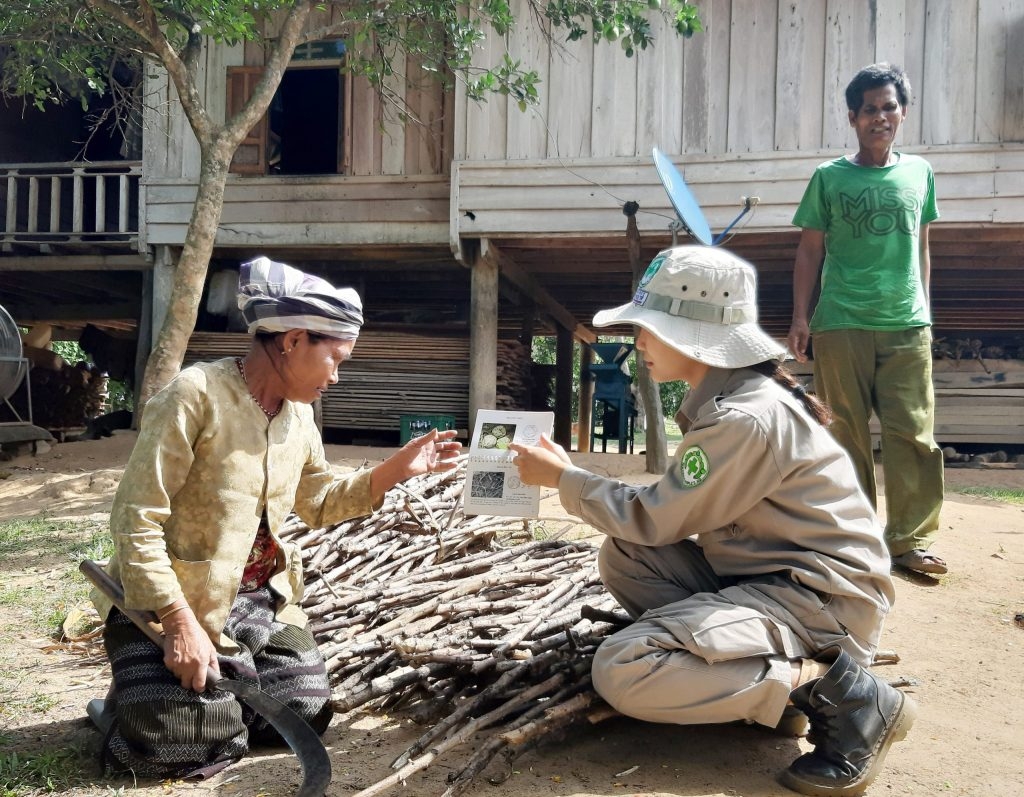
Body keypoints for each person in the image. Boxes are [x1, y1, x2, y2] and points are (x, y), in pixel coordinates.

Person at [510, 245, 915, 796]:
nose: (638, 342)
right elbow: (660, 521)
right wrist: (572, 478)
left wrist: (564, 479)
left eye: (646, 328)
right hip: (776, 586)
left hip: (818, 603)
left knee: (624, 667)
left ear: (690, 335)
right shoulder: (736, 400)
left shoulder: (744, 417)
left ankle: (839, 692)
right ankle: (767, 690)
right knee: (626, 554)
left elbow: (654, 516)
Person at [87, 256, 461, 778]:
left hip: (258, 601)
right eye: (335, 359)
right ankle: (132, 702)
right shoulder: (194, 397)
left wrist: (394, 471)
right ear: (291, 341)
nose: (337, 376)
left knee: (306, 710)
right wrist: (177, 624)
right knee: (175, 743)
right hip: (175, 603)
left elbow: (318, 501)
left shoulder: (299, 415)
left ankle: (201, 697)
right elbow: (135, 519)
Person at [787, 62, 946, 577]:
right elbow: (809, 251)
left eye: (889, 107)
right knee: (844, 433)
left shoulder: (919, 172)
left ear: (902, 113)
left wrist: (924, 306)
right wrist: (800, 317)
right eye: (870, 109)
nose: (881, 117)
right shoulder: (829, 178)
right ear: (853, 118)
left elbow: (922, 245)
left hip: (905, 323)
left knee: (913, 433)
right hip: (840, 321)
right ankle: (852, 538)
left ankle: (908, 541)